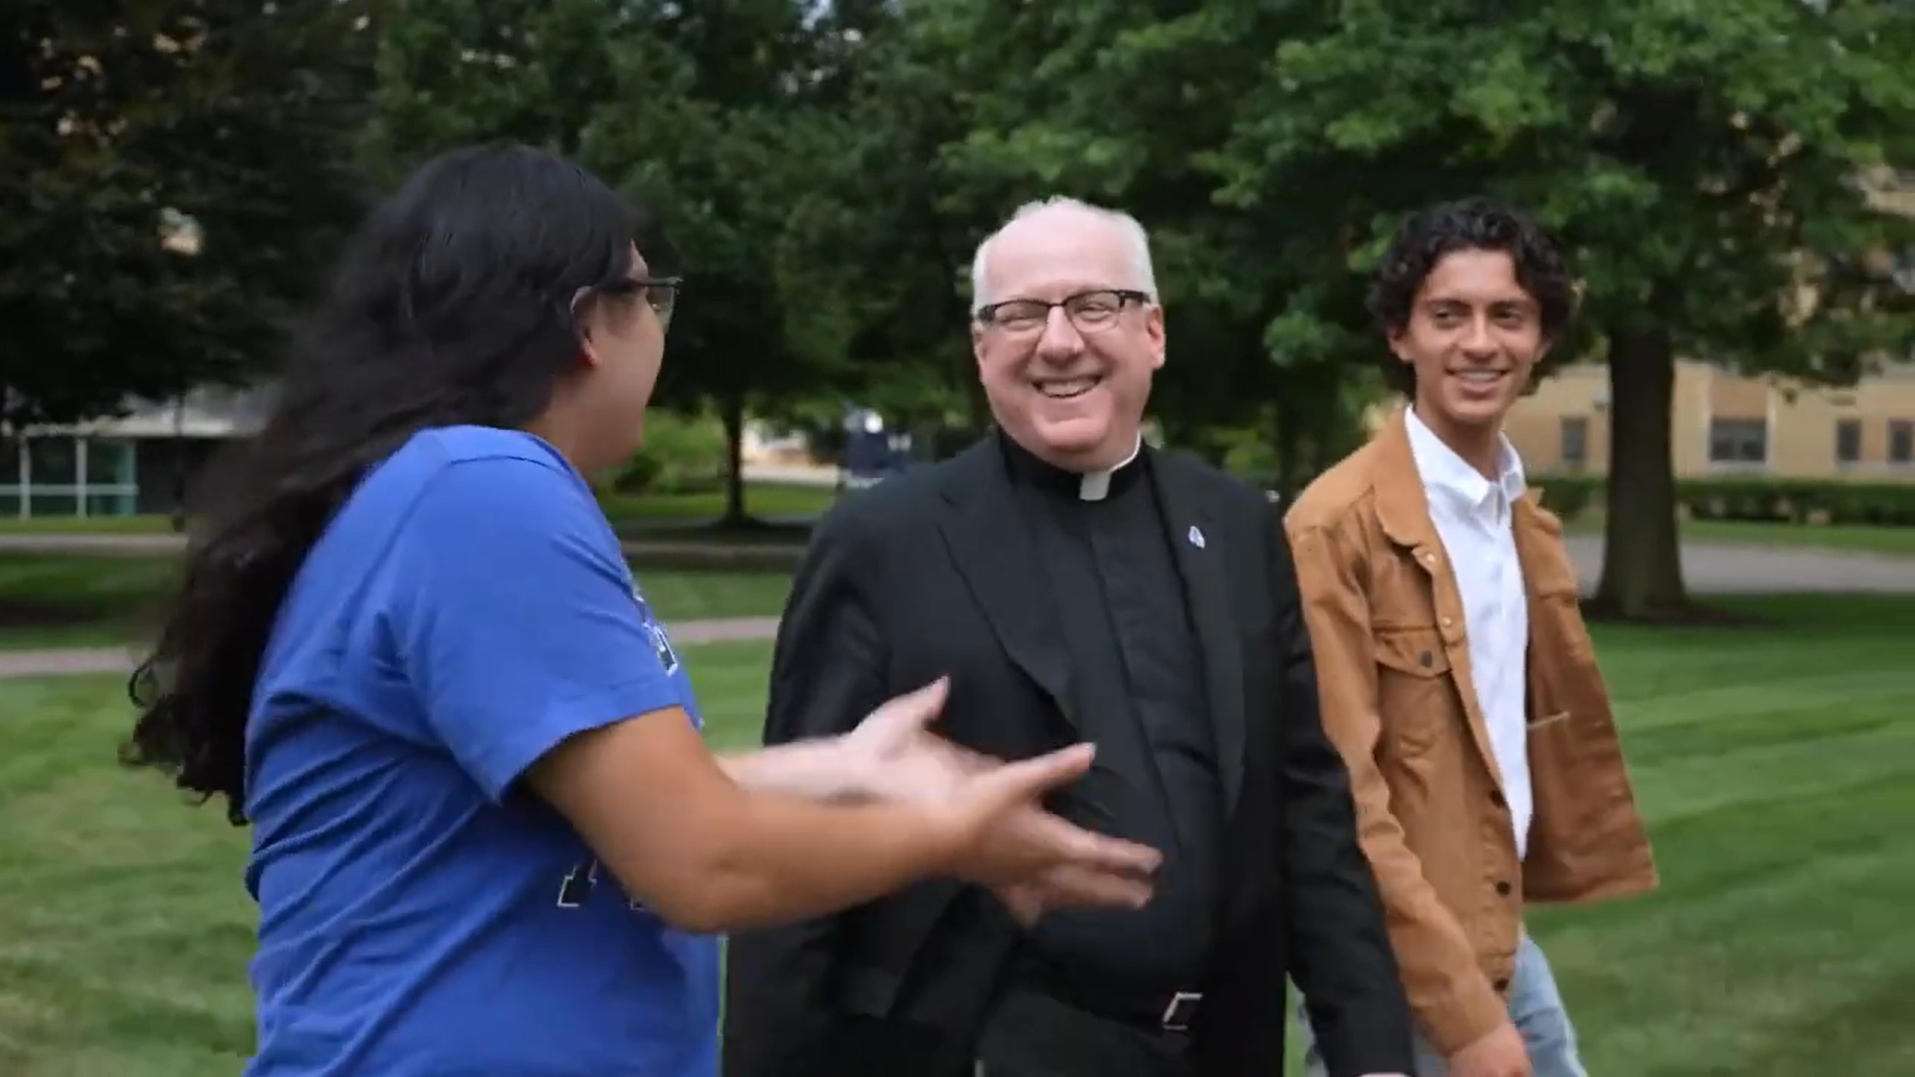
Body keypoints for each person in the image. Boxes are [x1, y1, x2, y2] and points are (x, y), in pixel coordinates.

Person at [119, 146, 1164, 1077]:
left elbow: (583, 803)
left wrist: (839, 768)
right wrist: (946, 832)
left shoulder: (430, 490)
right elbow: (703, 862)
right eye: (647, 293)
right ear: (587, 325)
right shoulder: (481, 489)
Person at [721, 197, 1416, 1077]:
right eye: (1018, 315)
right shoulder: (885, 542)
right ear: (981, 352)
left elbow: (1309, 817)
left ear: (1153, 332)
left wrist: (1376, 1059)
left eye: (1094, 305)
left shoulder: (1238, 528)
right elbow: (794, 850)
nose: (1057, 341)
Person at [1283, 198, 1659, 1077]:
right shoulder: (1335, 528)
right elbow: (1341, 799)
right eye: (1447, 315)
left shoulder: (1515, 516)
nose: (1479, 342)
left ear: (1541, 341)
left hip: (1492, 925)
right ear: (1399, 336)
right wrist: (1463, 1022)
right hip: (1389, 951)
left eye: (1508, 316)